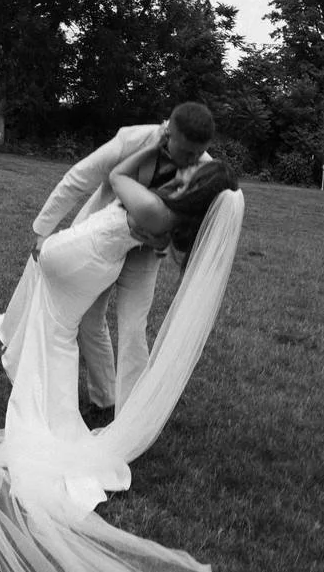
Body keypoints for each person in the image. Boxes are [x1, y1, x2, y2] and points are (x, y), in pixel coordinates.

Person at [0, 127, 245, 572]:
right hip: (100, 252)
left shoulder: (162, 187)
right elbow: (85, 178)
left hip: (89, 251)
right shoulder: (176, 197)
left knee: (86, 328)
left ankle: (110, 411)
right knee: (69, 327)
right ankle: (102, 401)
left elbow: (114, 177)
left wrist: (149, 159)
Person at [32, 101, 215, 418]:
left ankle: (133, 415)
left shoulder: (204, 167)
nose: (190, 162)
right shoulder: (132, 139)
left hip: (145, 255)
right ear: (168, 131)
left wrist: (166, 238)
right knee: (89, 320)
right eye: (185, 153)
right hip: (103, 244)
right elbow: (80, 176)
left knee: (133, 329)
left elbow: (195, 221)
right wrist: (42, 228)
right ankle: (104, 399)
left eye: (196, 155)